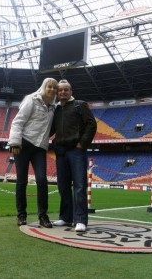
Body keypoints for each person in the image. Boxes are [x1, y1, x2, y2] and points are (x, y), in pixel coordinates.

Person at [8, 78, 58, 228]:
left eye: (55, 88)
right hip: (23, 144)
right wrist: (15, 142)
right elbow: (18, 121)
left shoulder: (54, 107)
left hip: (40, 148)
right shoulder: (31, 100)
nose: (52, 90)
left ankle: (43, 216)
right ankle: (21, 215)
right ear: (44, 87)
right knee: (21, 181)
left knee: (42, 180)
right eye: (50, 87)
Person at [51, 79, 97, 232]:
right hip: (60, 151)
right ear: (57, 93)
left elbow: (92, 124)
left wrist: (82, 143)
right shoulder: (56, 109)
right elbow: (50, 129)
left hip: (76, 150)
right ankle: (65, 218)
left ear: (71, 92)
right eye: (60, 90)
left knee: (79, 186)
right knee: (63, 186)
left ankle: (81, 220)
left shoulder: (79, 105)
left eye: (66, 89)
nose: (63, 92)